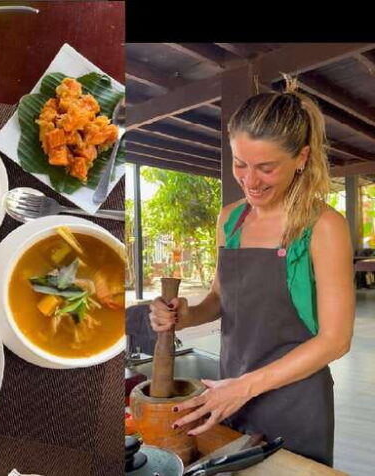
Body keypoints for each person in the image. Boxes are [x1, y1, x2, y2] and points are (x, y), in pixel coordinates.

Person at [149, 79, 354, 466]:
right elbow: (218, 300)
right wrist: (183, 313)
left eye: (266, 168)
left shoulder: (323, 226)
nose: (249, 180)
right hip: (228, 395)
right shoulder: (230, 219)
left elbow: (335, 340)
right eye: (240, 164)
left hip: (294, 402)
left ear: (301, 158)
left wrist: (243, 387)